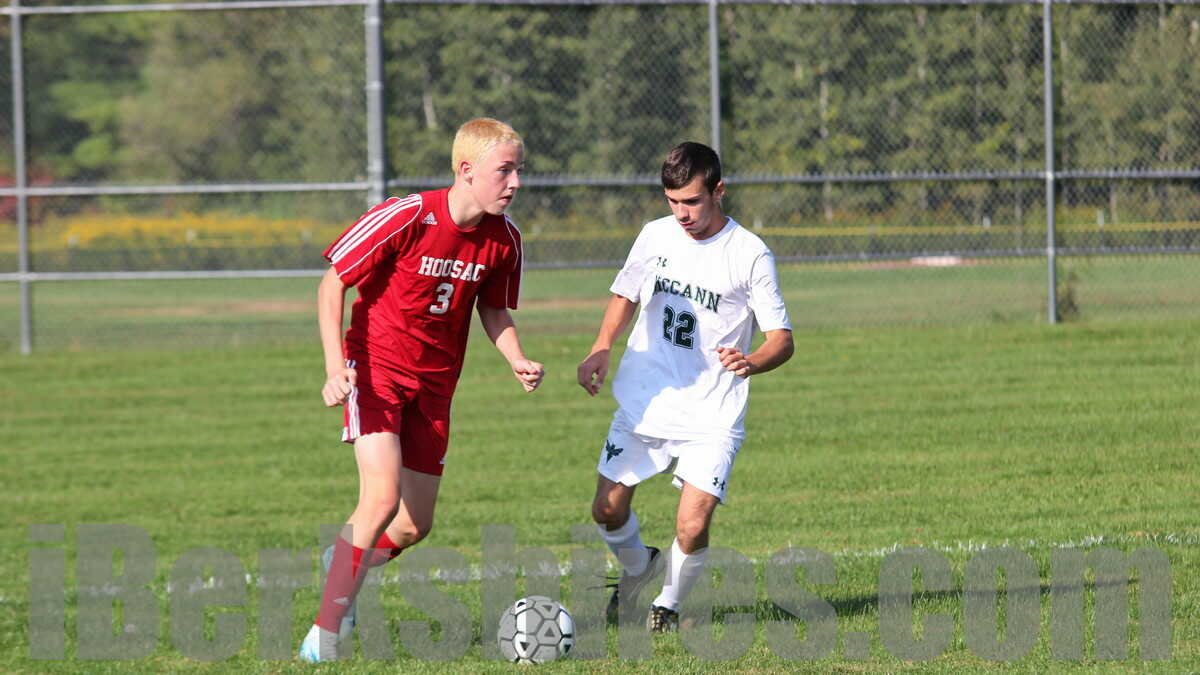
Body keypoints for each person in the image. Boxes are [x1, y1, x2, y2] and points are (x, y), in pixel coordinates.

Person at [299, 117, 545, 662]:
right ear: (467, 169)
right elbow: (333, 282)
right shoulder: (408, 214)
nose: (515, 182)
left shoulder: (505, 240)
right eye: (505, 170)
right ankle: (325, 636)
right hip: (375, 371)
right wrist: (335, 368)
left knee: (414, 525)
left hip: (436, 387)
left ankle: (345, 563)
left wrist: (517, 358)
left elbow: (494, 308)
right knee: (381, 497)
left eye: (519, 170)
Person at [577, 141, 794, 632]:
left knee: (691, 524)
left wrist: (752, 361)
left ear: (718, 190)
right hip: (645, 400)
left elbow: (782, 340)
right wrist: (601, 346)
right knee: (606, 510)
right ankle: (639, 567)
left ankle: (667, 608)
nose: (682, 213)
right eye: (673, 201)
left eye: (692, 201)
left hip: (713, 412)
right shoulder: (655, 235)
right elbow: (625, 293)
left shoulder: (749, 253)